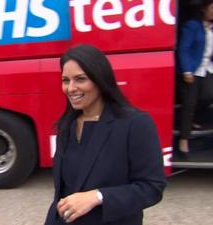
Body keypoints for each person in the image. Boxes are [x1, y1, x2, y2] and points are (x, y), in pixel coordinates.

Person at [44, 45, 166, 225]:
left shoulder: (135, 124)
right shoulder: (66, 125)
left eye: (80, 79)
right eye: (65, 80)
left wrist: (97, 196)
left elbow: (152, 188)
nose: (71, 88)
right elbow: (62, 193)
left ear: (100, 80)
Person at [177, 0, 213, 154]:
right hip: (192, 69)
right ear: (204, 9)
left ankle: (193, 120)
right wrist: (186, 71)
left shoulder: (211, 28)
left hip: (206, 69)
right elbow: (183, 49)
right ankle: (183, 139)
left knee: (207, 96)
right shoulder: (192, 26)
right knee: (189, 103)